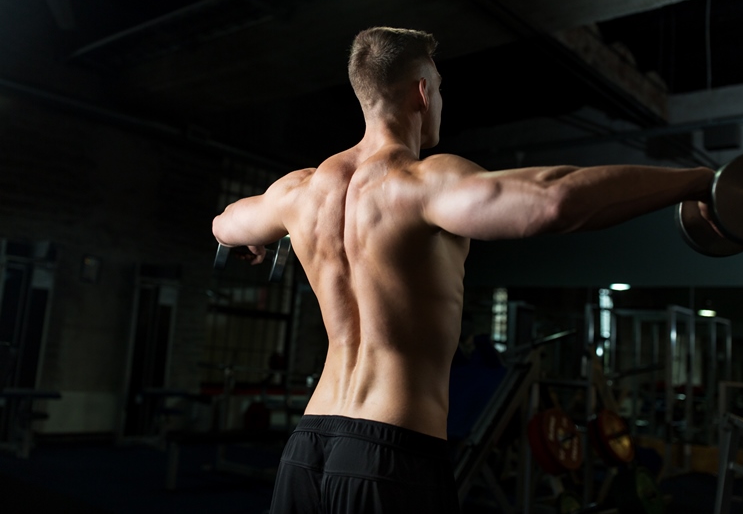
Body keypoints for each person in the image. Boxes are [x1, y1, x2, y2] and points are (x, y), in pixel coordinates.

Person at [212, 26, 716, 513]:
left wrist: (251, 242)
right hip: (392, 452)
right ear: (422, 92)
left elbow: (227, 223)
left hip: (307, 449)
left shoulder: (299, 192)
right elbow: (553, 200)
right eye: (440, 89)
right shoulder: (422, 182)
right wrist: (699, 181)